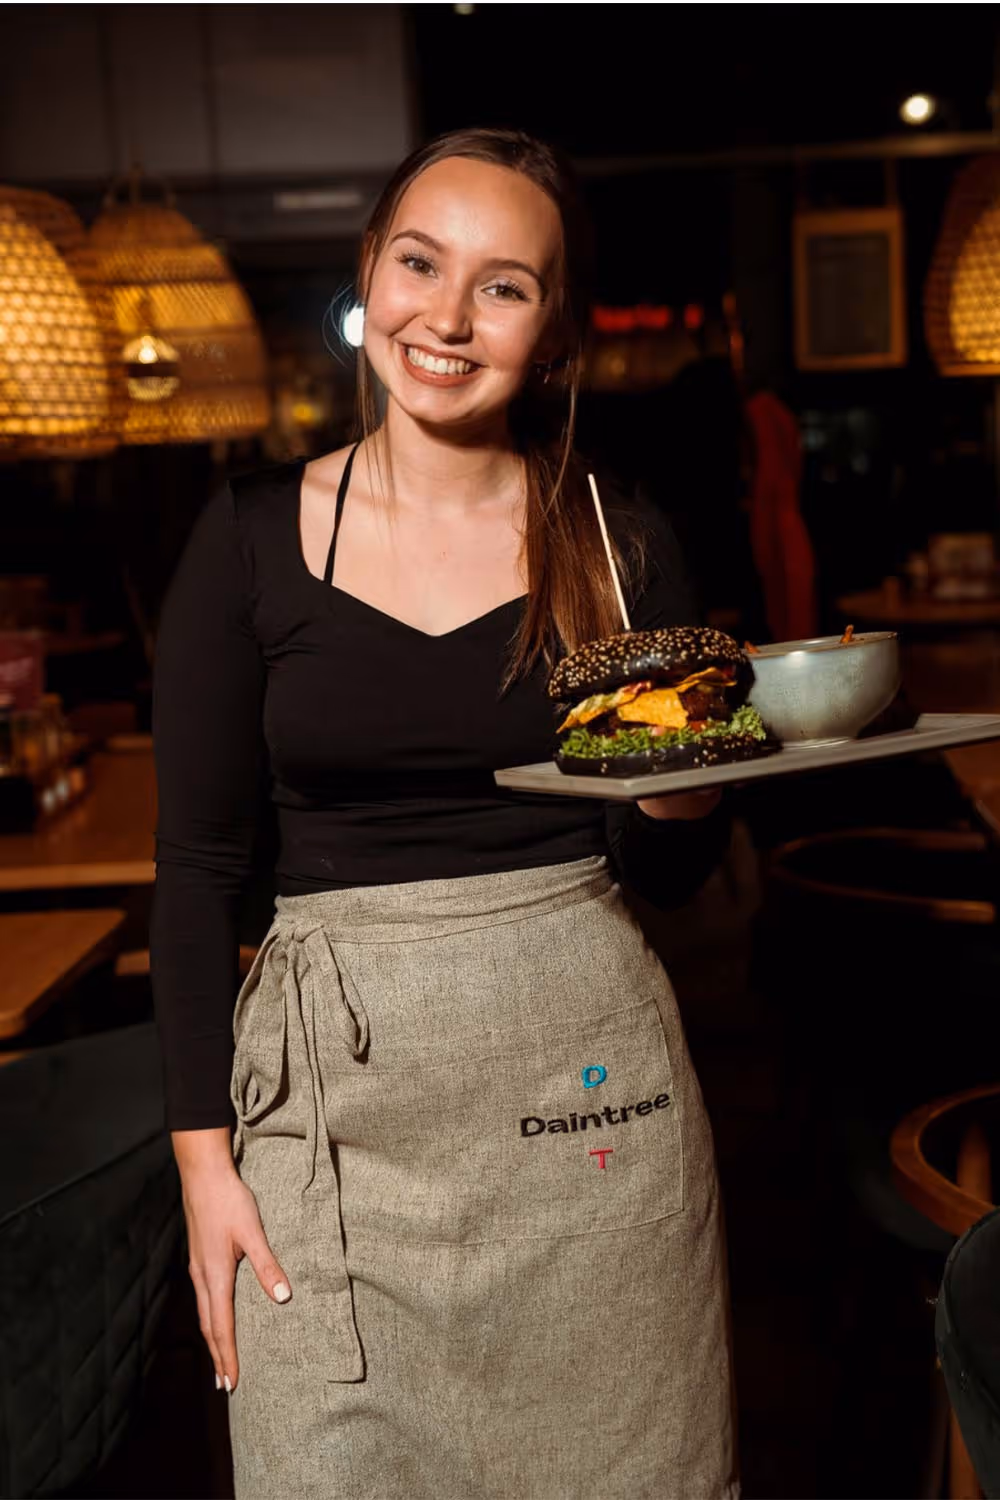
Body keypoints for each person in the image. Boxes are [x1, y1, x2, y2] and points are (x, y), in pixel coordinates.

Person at [151, 127, 739, 1499]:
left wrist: (688, 788)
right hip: (329, 1127)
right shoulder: (243, 539)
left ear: (552, 332)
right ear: (371, 273)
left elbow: (675, 870)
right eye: (421, 262)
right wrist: (202, 1164)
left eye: (505, 286)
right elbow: (195, 872)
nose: (450, 317)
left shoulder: (618, 540)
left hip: (590, 1113)